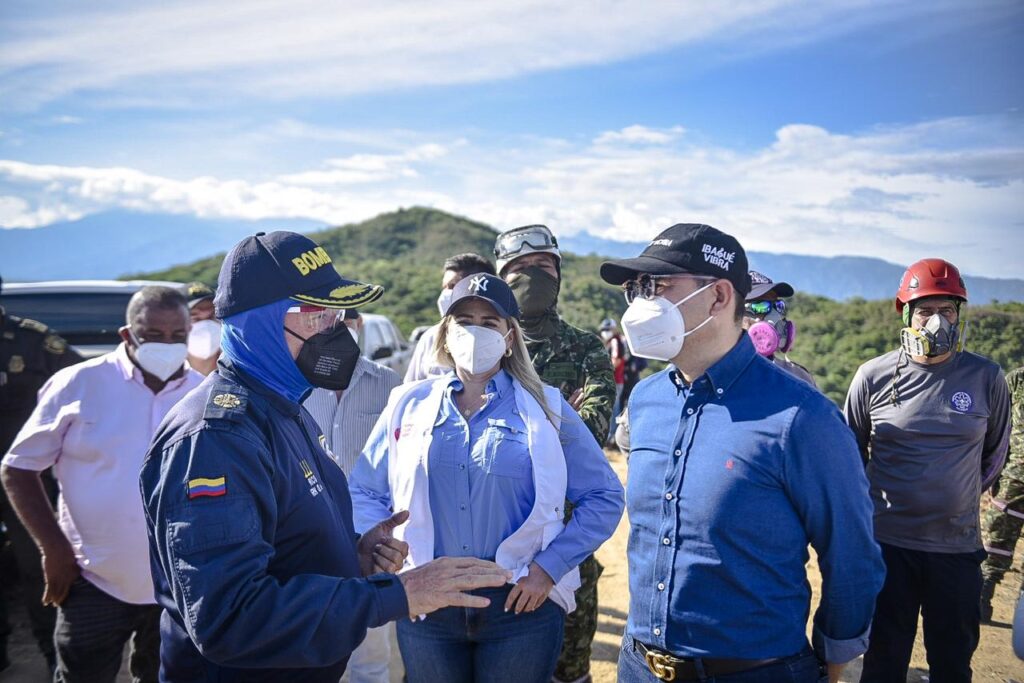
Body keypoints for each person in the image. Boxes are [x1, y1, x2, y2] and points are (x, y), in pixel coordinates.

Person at [140, 231, 510, 682]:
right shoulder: (217, 439)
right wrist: (397, 594)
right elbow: (230, 617)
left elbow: (281, 546)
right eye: (317, 317)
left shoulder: (283, 408)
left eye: (336, 316)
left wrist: (349, 557)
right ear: (260, 325)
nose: (334, 331)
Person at [601, 223, 884, 683]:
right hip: (639, 666)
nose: (640, 303)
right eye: (636, 289)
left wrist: (835, 664)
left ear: (718, 297)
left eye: (658, 286)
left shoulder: (802, 417)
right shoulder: (646, 401)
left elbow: (851, 554)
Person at [349, 273, 624, 683]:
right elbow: (364, 489)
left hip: (519, 605)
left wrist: (549, 568)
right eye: (464, 321)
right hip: (428, 601)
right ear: (446, 334)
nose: (475, 331)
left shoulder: (547, 408)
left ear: (509, 338)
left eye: (489, 322)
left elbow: (604, 495)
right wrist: (380, 541)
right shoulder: (407, 404)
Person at [2, 286, 201, 683]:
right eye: (153, 335)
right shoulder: (78, 384)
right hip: (92, 579)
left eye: (178, 335)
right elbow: (18, 469)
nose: (167, 345)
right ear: (127, 334)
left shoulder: (203, 392)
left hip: (178, 585)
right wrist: (53, 549)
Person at [843, 257, 1011, 682]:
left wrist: (957, 496)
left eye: (947, 311)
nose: (937, 321)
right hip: (887, 548)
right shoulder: (873, 377)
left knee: (953, 665)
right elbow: (850, 455)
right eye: (926, 311)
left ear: (959, 315)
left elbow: (995, 454)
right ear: (906, 314)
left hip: (956, 549)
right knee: (882, 664)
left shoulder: (986, 377)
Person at [494, 224, 615, 683]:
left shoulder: (585, 348)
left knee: (570, 671)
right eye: (521, 268)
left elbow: (595, 429)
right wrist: (561, 419)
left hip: (569, 545)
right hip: (495, 544)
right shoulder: (486, 349)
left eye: (543, 266)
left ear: (559, 276)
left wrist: (512, 430)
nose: (533, 276)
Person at [303, 307, 401, 683]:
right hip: (310, 535)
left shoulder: (389, 385)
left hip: (372, 537)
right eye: (329, 322)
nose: (338, 330)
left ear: (358, 325)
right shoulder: (299, 384)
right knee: (315, 648)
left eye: (346, 322)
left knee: (371, 652)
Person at [0, 274, 82, 672]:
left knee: (39, 565)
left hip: (24, 479)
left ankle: (53, 658)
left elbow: (83, 387)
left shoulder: (32, 341)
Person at [405, 253, 496, 382]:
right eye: (445, 287)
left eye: (454, 286)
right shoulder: (431, 338)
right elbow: (411, 387)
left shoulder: (500, 338)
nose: (446, 293)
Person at [980, 366, 1024, 622]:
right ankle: (982, 598)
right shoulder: (1017, 380)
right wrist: (992, 472)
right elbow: (996, 428)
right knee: (996, 537)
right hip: (1014, 476)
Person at [742, 270, 817, 387]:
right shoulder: (714, 374)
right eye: (761, 306)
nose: (775, 315)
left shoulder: (799, 378)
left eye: (778, 306)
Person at [599, 318, 627, 443]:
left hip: (615, 380)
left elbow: (616, 360)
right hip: (614, 379)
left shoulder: (616, 341)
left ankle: (612, 436)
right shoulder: (613, 341)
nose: (605, 332)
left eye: (608, 329)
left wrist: (605, 371)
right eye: (604, 329)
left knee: (613, 408)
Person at [184, 281, 221, 376]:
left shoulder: (242, 371)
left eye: (212, 315)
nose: (206, 325)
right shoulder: (166, 378)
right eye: (195, 317)